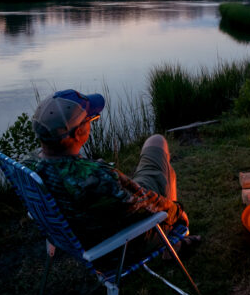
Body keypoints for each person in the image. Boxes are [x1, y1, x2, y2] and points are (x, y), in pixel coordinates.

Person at [26, 89, 196, 253]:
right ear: (78, 133)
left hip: (80, 239)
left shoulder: (30, 165)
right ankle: (173, 245)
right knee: (156, 141)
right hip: (122, 245)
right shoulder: (97, 179)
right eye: (90, 119)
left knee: (164, 170)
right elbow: (147, 203)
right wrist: (178, 212)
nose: (92, 122)